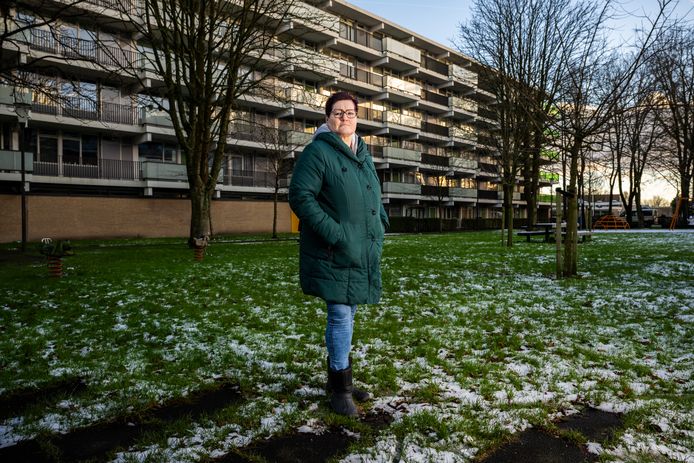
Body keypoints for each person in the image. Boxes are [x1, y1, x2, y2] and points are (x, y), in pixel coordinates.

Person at [288, 92, 388, 416]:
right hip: (335, 250)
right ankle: (341, 390)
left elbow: (375, 192)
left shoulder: (362, 152)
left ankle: (338, 377)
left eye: (350, 112)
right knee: (341, 315)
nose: (344, 117)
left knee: (350, 313)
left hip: (361, 249)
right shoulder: (318, 152)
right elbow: (301, 197)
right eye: (337, 113)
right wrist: (335, 233)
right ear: (328, 118)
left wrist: (381, 224)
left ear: (357, 117)